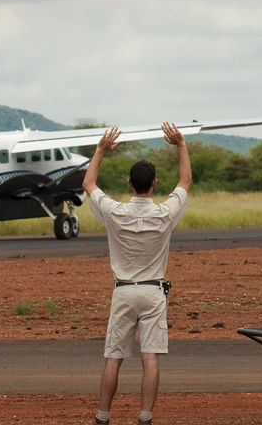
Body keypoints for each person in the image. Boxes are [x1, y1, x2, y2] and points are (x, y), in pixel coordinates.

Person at [83, 122, 192, 425]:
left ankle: (103, 416)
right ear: (154, 183)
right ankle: (145, 417)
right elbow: (185, 181)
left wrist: (100, 149)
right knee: (150, 358)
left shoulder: (115, 212)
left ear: (130, 183)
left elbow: (89, 185)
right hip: (153, 291)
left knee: (113, 358)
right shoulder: (165, 213)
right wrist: (181, 144)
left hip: (123, 290)